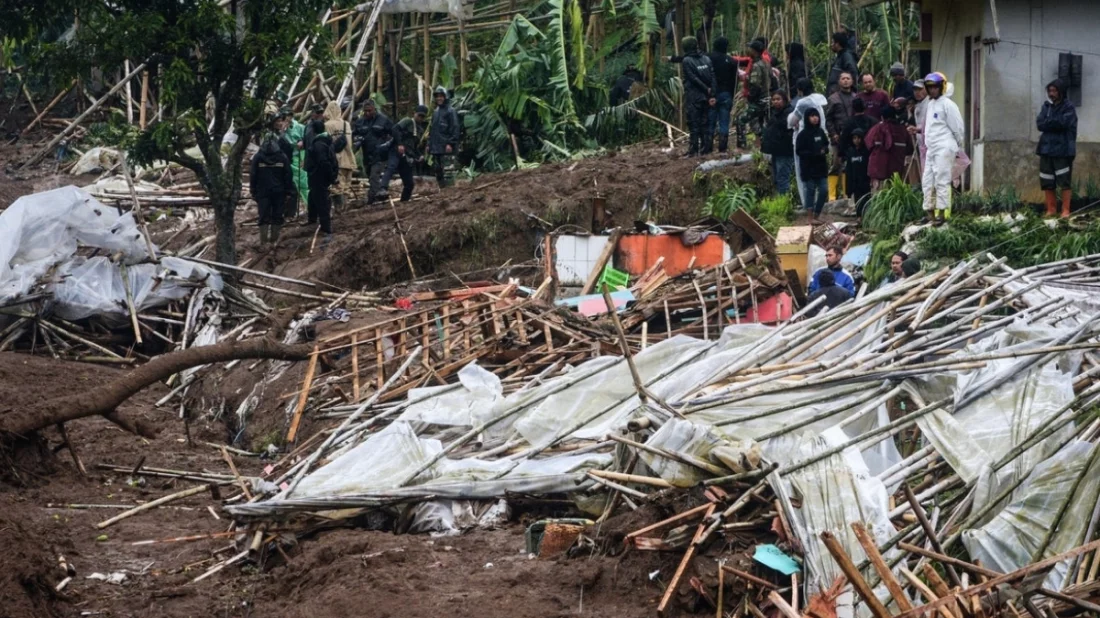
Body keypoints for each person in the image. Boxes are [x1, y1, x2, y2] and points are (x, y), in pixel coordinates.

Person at [921, 72, 964, 223]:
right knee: (927, 180)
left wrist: (957, 146)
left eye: (935, 87)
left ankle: (942, 213)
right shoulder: (930, 104)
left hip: (944, 147)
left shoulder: (948, 105)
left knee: (942, 179)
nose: (932, 90)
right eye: (929, 87)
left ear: (941, 88)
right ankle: (930, 212)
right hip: (931, 148)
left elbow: (958, 128)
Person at [1036, 78, 1078, 218]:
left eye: (1054, 91)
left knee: (1064, 181)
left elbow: (1063, 123)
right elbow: (1040, 124)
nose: (1051, 94)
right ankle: (1051, 210)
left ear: (1061, 92)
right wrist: (1051, 123)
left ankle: (1065, 210)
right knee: (1047, 180)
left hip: (1062, 150)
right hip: (1046, 149)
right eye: (1050, 91)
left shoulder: (1069, 107)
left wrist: (1050, 123)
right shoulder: (1046, 107)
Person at [668, 36, 717, 156]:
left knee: (694, 123)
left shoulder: (687, 61)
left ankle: (693, 150)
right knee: (705, 122)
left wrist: (707, 89)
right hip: (706, 96)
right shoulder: (706, 58)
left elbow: (693, 78)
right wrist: (711, 92)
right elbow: (713, 77)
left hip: (694, 96)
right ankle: (706, 148)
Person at [787, 78, 827, 210]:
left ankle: (807, 203)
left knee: (803, 173)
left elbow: (792, 121)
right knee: (818, 172)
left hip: (804, 140)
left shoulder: (803, 102)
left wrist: (793, 120)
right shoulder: (819, 99)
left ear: (799, 90)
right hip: (819, 139)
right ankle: (815, 203)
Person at [250, 137, 295, 248]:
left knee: (263, 216)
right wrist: (288, 190)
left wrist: (253, 190)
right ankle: (274, 241)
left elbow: (253, 174)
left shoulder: (258, 157)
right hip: (279, 191)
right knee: (277, 215)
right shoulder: (282, 157)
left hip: (263, 191)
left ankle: (264, 242)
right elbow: (288, 175)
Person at [354, 99, 395, 203]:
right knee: (370, 177)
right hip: (367, 155)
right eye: (365, 111)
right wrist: (357, 139)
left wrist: (389, 144)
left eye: (370, 110)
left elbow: (395, 133)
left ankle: (378, 199)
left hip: (380, 154)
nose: (367, 113)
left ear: (374, 109)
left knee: (374, 176)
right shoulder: (360, 122)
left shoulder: (383, 120)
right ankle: (371, 199)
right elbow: (354, 134)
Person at [304, 119, 339, 242]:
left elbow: (324, 162)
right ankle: (312, 219)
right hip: (318, 176)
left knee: (322, 201)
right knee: (313, 197)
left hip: (318, 176)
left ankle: (327, 228)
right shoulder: (324, 142)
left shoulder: (319, 144)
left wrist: (330, 177)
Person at [385, 105, 429, 202]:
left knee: (409, 184)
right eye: (419, 115)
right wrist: (400, 144)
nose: (420, 118)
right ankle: (382, 189)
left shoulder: (419, 130)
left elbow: (414, 147)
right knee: (390, 169)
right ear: (415, 114)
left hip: (407, 157)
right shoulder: (408, 121)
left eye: (422, 117)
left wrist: (419, 156)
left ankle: (404, 202)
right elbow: (395, 129)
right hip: (397, 152)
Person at [866, 107, 913, 190]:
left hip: (879, 170)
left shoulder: (877, 128)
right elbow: (910, 149)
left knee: (879, 193)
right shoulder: (902, 130)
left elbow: (868, 143)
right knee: (895, 191)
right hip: (897, 169)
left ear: (882, 117)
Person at [826, 72, 855, 200]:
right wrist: (833, 134)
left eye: (848, 78)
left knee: (848, 165)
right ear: (839, 81)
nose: (845, 81)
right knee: (836, 164)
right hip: (837, 136)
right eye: (843, 78)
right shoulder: (833, 98)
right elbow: (828, 119)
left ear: (852, 81)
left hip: (852, 137)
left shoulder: (856, 97)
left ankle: (845, 193)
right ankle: (832, 196)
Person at [795, 108, 829, 218]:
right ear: (807, 118)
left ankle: (817, 214)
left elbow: (826, 144)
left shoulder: (820, 131)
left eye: (816, 115)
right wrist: (813, 153)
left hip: (821, 167)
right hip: (808, 168)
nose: (815, 118)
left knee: (824, 190)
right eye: (812, 116)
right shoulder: (802, 134)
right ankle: (810, 218)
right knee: (810, 192)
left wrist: (824, 150)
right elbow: (799, 151)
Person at [322, 101, 356, 211]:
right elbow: (349, 142)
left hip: (335, 159)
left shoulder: (326, 126)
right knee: (346, 185)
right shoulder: (346, 124)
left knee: (337, 186)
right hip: (349, 158)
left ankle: (338, 208)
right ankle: (344, 207)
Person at [707, 37, 738, 153]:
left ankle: (708, 147)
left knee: (711, 121)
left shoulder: (708, 58)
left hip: (711, 94)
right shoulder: (732, 61)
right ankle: (722, 148)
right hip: (726, 94)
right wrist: (732, 95)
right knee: (724, 121)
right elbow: (734, 81)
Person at [762, 91, 795, 196]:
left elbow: (785, 130)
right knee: (777, 178)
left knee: (782, 178)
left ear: (784, 100)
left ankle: (784, 203)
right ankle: (780, 202)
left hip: (785, 151)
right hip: (776, 151)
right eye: (774, 100)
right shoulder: (775, 113)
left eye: (778, 99)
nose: (776, 102)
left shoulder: (790, 113)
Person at [428, 86, 461, 188]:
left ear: (445, 97)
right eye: (437, 96)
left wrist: (450, 143)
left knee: (448, 172)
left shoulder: (450, 111)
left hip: (446, 147)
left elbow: (455, 128)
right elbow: (432, 130)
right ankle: (442, 191)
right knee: (438, 170)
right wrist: (429, 144)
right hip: (436, 147)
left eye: (441, 96)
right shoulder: (436, 112)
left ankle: (450, 193)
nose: (439, 98)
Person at [845, 128, 871, 212]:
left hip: (865, 180)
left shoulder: (866, 151)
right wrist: (848, 187)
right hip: (855, 181)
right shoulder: (850, 152)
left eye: (858, 138)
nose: (856, 140)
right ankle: (859, 217)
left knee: (866, 199)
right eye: (854, 138)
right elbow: (848, 169)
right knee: (857, 200)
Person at [907, 80, 929, 175]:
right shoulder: (917, 107)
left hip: (931, 144)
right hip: (921, 144)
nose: (917, 92)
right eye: (915, 90)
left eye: (920, 89)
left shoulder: (930, 103)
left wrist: (918, 130)